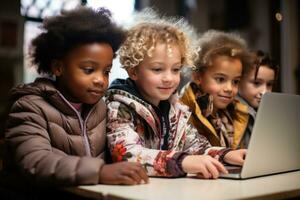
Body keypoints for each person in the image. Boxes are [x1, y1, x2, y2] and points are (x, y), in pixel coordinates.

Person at [3, 6, 148, 195]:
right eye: (88, 70)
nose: (100, 79)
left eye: (106, 71)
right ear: (58, 67)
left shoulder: (101, 108)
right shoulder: (29, 107)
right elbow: (36, 162)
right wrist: (100, 171)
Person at [105, 10, 246, 179]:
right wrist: (182, 162)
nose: (169, 78)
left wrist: (226, 155)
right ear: (133, 71)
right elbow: (126, 154)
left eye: (176, 69)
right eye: (158, 69)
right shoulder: (119, 107)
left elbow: (197, 147)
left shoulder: (174, 108)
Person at [180, 30, 253, 149]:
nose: (229, 88)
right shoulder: (181, 113)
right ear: (197, 77)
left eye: (235, 81)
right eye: (220, 79)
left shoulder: (238, 113)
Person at [237, 50, 279, 148]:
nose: (264, 92)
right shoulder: (233, 111)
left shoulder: (269, 110)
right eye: (256, 83)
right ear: (239, 80)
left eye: (269, 84)